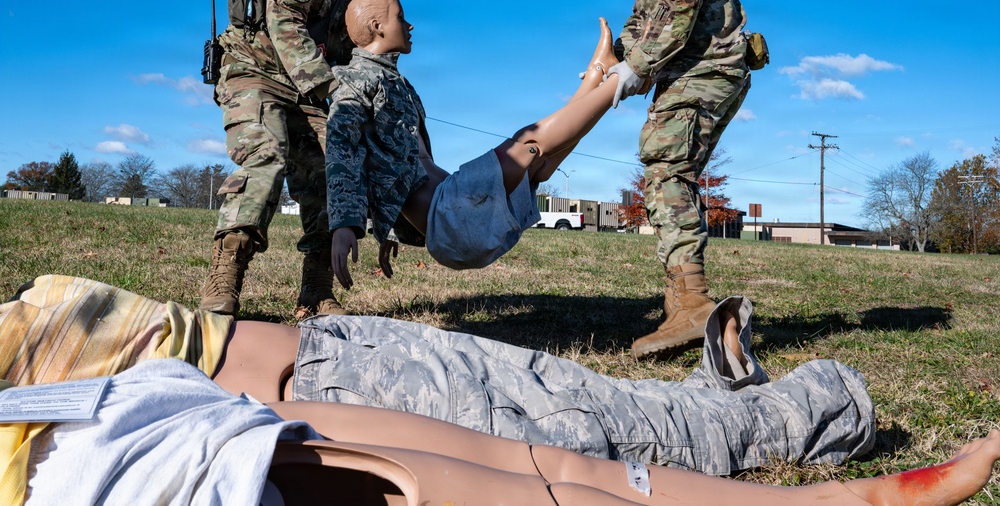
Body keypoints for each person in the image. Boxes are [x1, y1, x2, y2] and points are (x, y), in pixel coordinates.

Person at [2, 275, 874, 475]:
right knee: (606, 411)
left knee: (623, 434)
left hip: (344, 386)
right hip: (338, 368)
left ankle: (822, 401)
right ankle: (725, 384)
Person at [17, 359, 1000, 506]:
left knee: (565, 450)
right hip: (134, 456)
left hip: (150, 401)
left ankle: (842, 478)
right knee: (558, 464)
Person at [326, 0, 621, 286]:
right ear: (377, 26)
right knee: (526, 145)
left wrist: (388, 229)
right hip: (449, 220)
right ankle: (624, 77)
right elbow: (342, 151)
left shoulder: (398, 83)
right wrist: (344, 225)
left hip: (457, 210)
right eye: (400, 18)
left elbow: (390, 172)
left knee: (539, 165)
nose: (409, 25)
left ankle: (599, 74)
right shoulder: (353, 80)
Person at [198, 0, 390, 321]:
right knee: (266, 157)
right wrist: (335, 92)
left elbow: (356, 50)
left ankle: (316, 292)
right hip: (255, 71)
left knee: (334, 169)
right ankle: (224, 279)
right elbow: (286, 28)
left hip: (308, 89)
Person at [600, 0, 752, 359]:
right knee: (670, 171)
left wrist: (636, 68)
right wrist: (618, 54)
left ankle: (692, 303)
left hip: (707, 66)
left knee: (666, 169)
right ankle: (682, 302)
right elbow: (648, 12)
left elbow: (681, 7)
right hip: (697, 69)